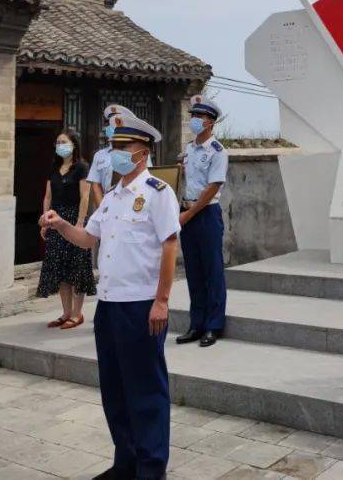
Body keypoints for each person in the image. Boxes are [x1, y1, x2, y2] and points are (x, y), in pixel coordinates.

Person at [40, 114, 180, 480]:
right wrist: (59, 224)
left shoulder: (157, 194)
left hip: (141, 305)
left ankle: (151, 468)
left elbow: (169, 246)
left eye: (123, 148)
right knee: (115, 390)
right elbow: (88, 238)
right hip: (109, 305)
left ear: (143, 152)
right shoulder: (113, 197)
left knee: (146, 391)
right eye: (114, 146)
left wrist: (162, 300)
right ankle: (126, 461)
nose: (115, 154)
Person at [175, 95, 229, 348]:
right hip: (187, 210)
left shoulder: (217, 151)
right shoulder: (189, 149)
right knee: (194, 271)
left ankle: (214, 325)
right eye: (193, 116)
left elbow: (212, 187)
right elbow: (189, 179)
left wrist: (188, 214)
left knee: (212, 271)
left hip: (206, 213)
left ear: (210, 122)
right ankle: (196, 323)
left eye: (199, 117)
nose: (194, 120)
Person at [37, 128, 96, 329]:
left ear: (74, 145)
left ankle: (77, 314)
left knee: (77, 268)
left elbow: (85, 196)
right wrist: (45, 220)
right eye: (58, 143)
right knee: (60, 268)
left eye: (64, 142)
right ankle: (65, 312)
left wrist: (80, 223)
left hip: (73, 218)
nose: (60, 146)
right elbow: (48, 196)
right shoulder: (53, 168)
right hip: (56, 218)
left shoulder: (81, 167)